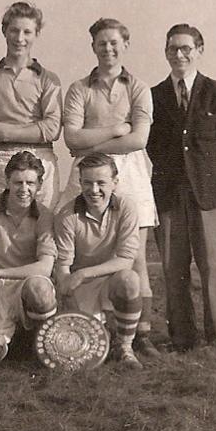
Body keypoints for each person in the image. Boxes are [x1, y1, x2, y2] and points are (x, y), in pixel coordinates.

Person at [59, 17, 159, 357]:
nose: (108, 48)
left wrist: (91, 146)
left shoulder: (139, 87)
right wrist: (117, 129)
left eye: (114, 42)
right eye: (101, 43)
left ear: (125, 45)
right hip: (86, 174)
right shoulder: (79, 88)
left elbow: (139, 139)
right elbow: (71, 136)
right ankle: (81, 326)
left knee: (136, 259)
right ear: (93, 47)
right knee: (78, 250)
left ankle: (139, 335)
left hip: (129, 174)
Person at [147, 24, 216, 353]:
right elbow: (152, 147)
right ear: (166, 52)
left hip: (208, 197)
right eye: (173, 48)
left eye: (186, 48)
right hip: (170, 195)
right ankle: (182, 339)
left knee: (214, 269)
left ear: (199, 50)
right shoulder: (154, 95)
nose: (179, 55)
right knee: (174, 271)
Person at [54, 153, 144, 369]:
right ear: (80, 182)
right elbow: (63, 268)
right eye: (87, 183)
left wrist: (84, 273)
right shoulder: (67, 215)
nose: (94, 190)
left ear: (115, 183)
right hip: (79, 287)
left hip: (107, 279)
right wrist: (69, 296)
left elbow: (125, 260)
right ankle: (99, 330)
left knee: (130, 280)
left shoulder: (127, 207)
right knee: (82, 352)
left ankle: (125, 346)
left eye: (101, 183)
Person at [0, 151, 57, 363]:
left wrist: (0, 273)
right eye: (18, 182)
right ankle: (5, 341)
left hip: (28, 285)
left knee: (41, 289)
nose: (24, 189)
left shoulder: (45, 215)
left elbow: (45, 267)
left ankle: (38, 340)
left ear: (39, 185)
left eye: (30, 183)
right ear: (7, 181)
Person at [0, 1, 63, 209]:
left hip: (41, 158)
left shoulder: (49, 79)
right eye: (14, 30)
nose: (20, 38)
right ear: (4, 31)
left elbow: (52, 129)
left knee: (43, 227)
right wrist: (33, 129)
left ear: (36, 34)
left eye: (27, 32)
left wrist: (2, 132)